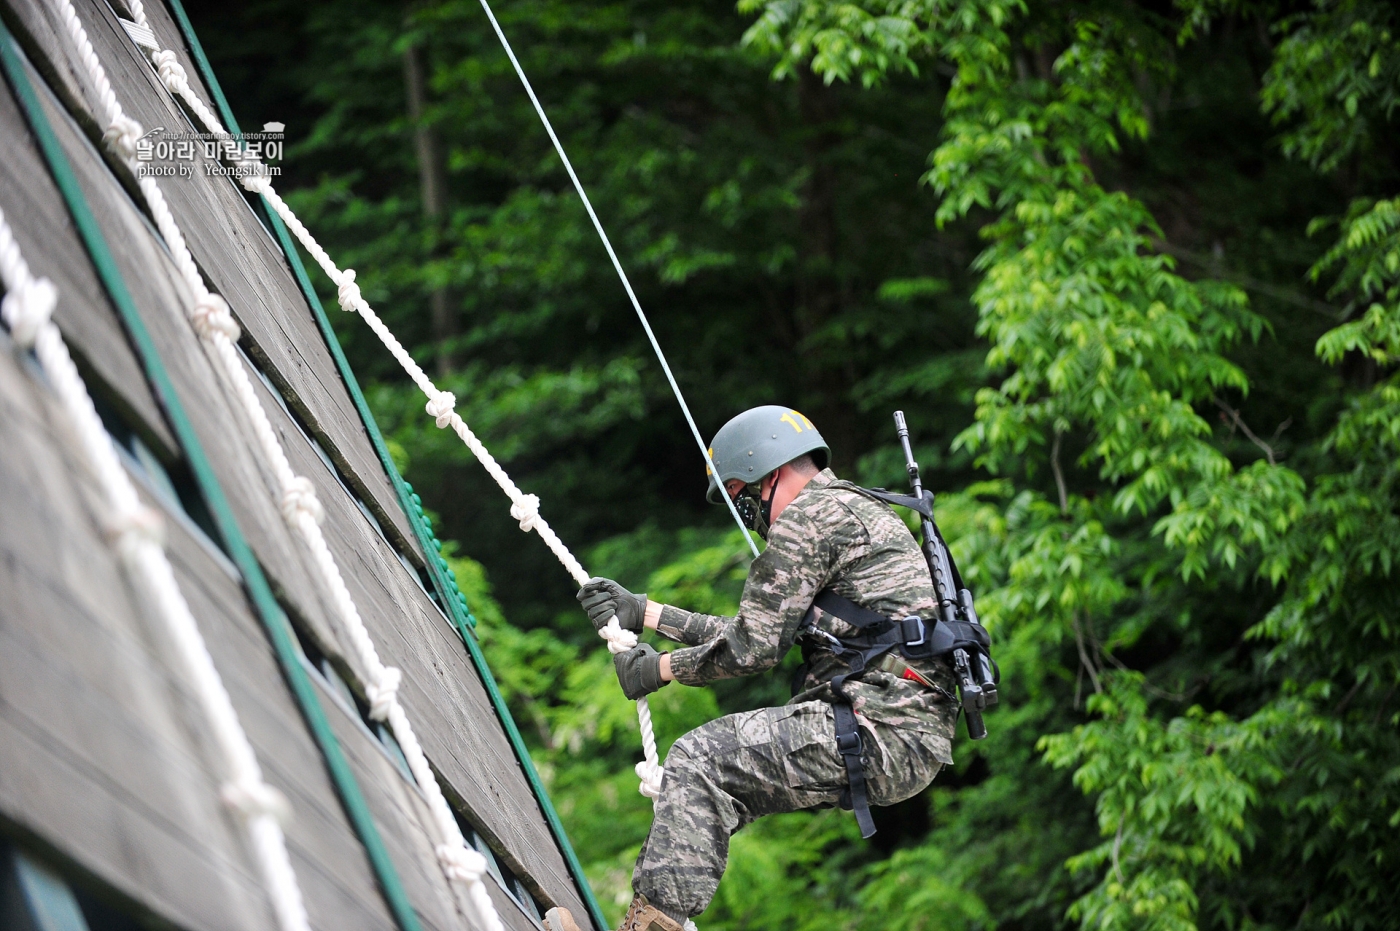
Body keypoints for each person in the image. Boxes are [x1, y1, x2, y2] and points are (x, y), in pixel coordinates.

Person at [546, 405, 959, 931]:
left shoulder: (812, 519)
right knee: (712, 789)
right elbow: (764, 629)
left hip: (881, 726)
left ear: (771, 475)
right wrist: (647, 613)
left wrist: (662, 669)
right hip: (901, 732)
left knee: (697, 761)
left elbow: (753, 649)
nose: (750, 520)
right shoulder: (852, 510)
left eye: (743, 501)